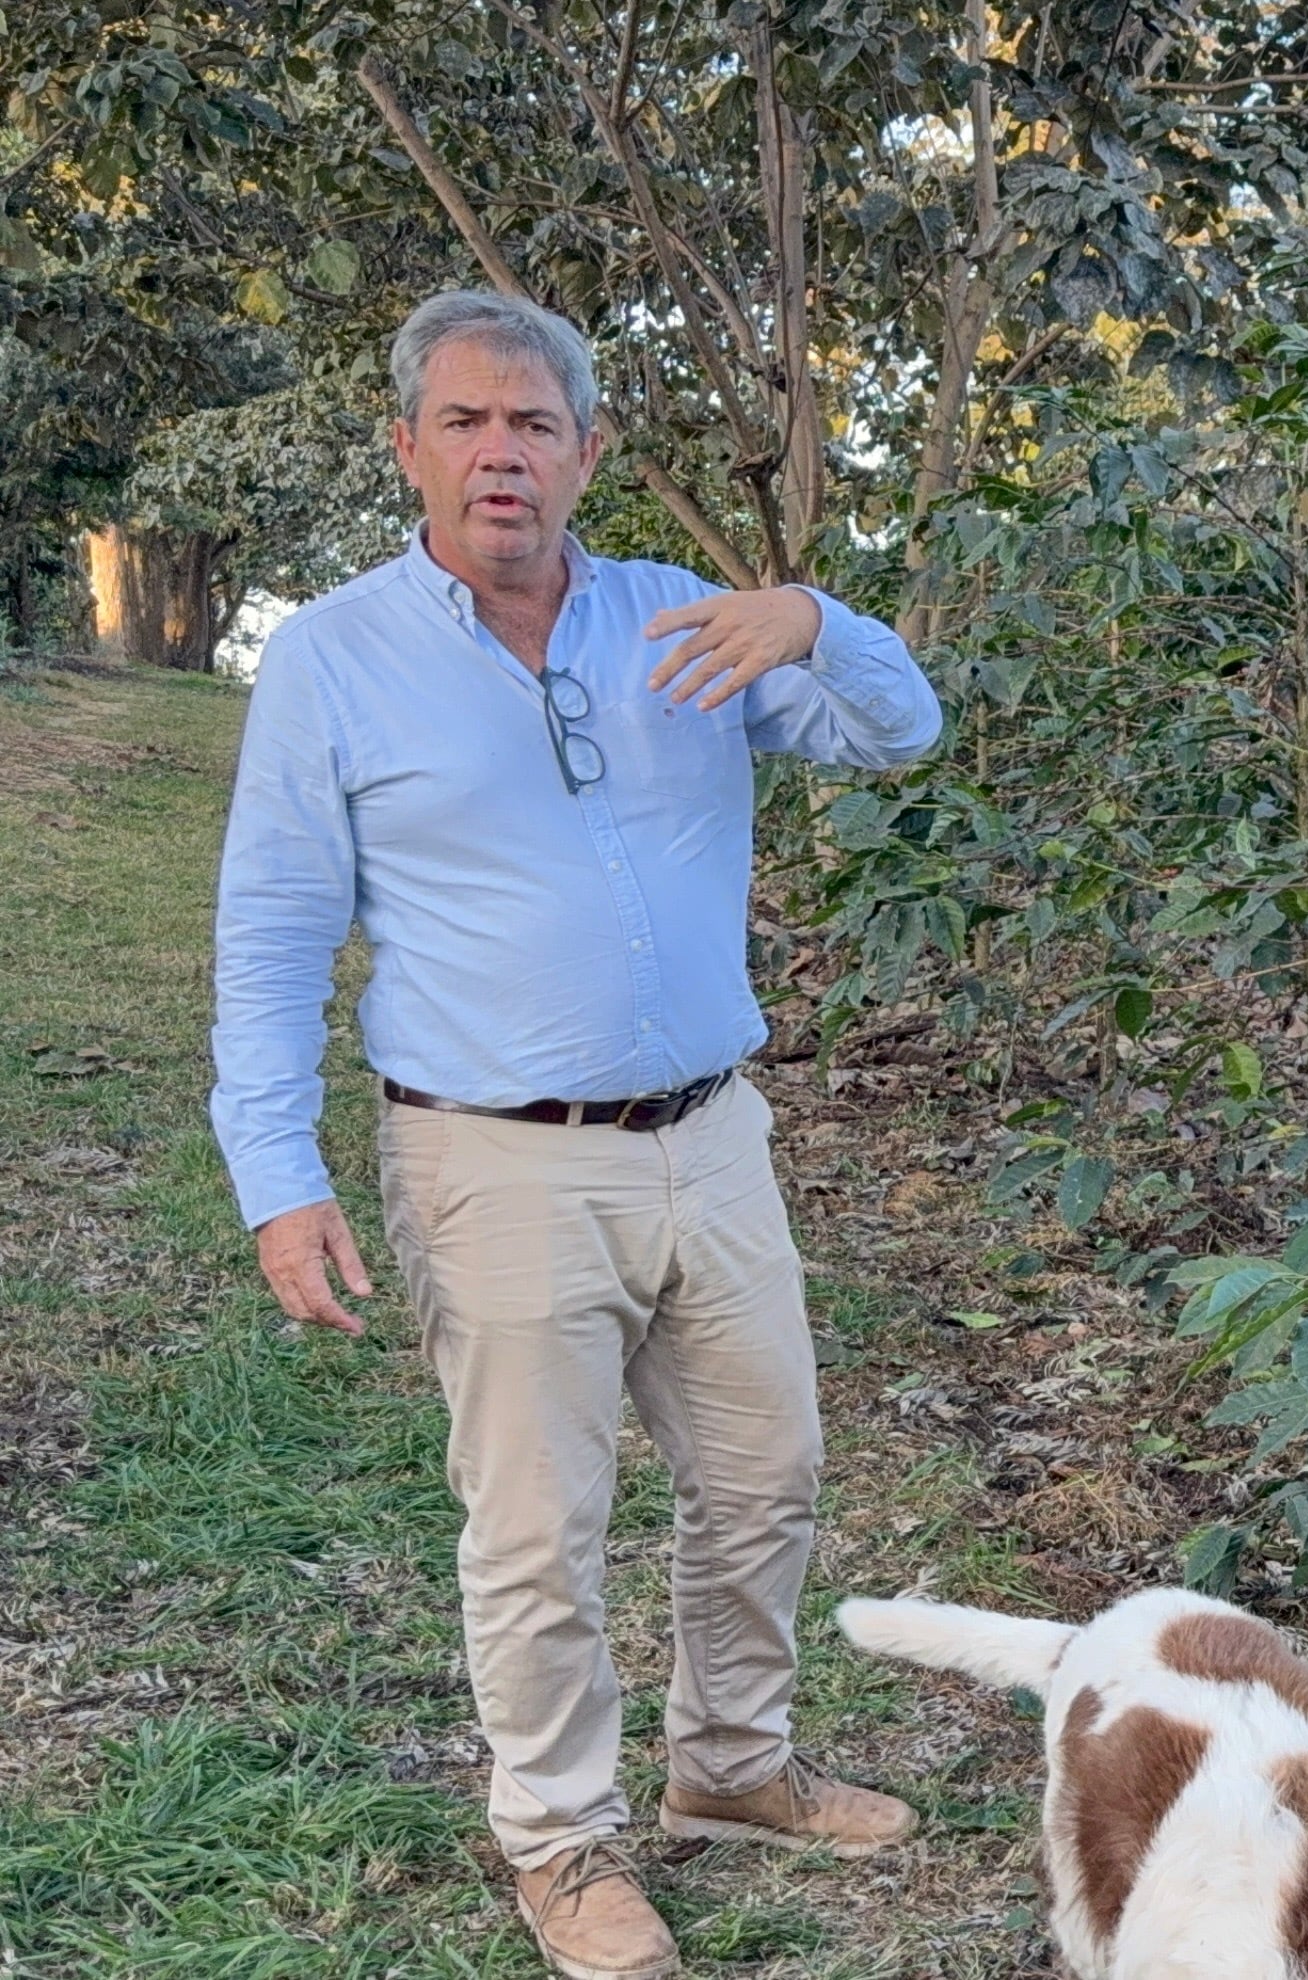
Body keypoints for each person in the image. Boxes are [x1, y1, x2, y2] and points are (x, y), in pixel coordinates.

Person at [209, 288, 945, 1980]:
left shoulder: (681, 620)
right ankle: (559, 1840)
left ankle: (733, 1766)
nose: (503, 456)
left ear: (588, 452)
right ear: (407, 447)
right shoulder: (335, 657)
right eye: (466, 423)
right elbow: (272, 934)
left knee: (765, 1475)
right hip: (493, 1156)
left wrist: (815, 618)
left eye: (534, 425)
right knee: (540, 1531)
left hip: (713, 1133)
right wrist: (279, 1175)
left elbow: (900, 736)